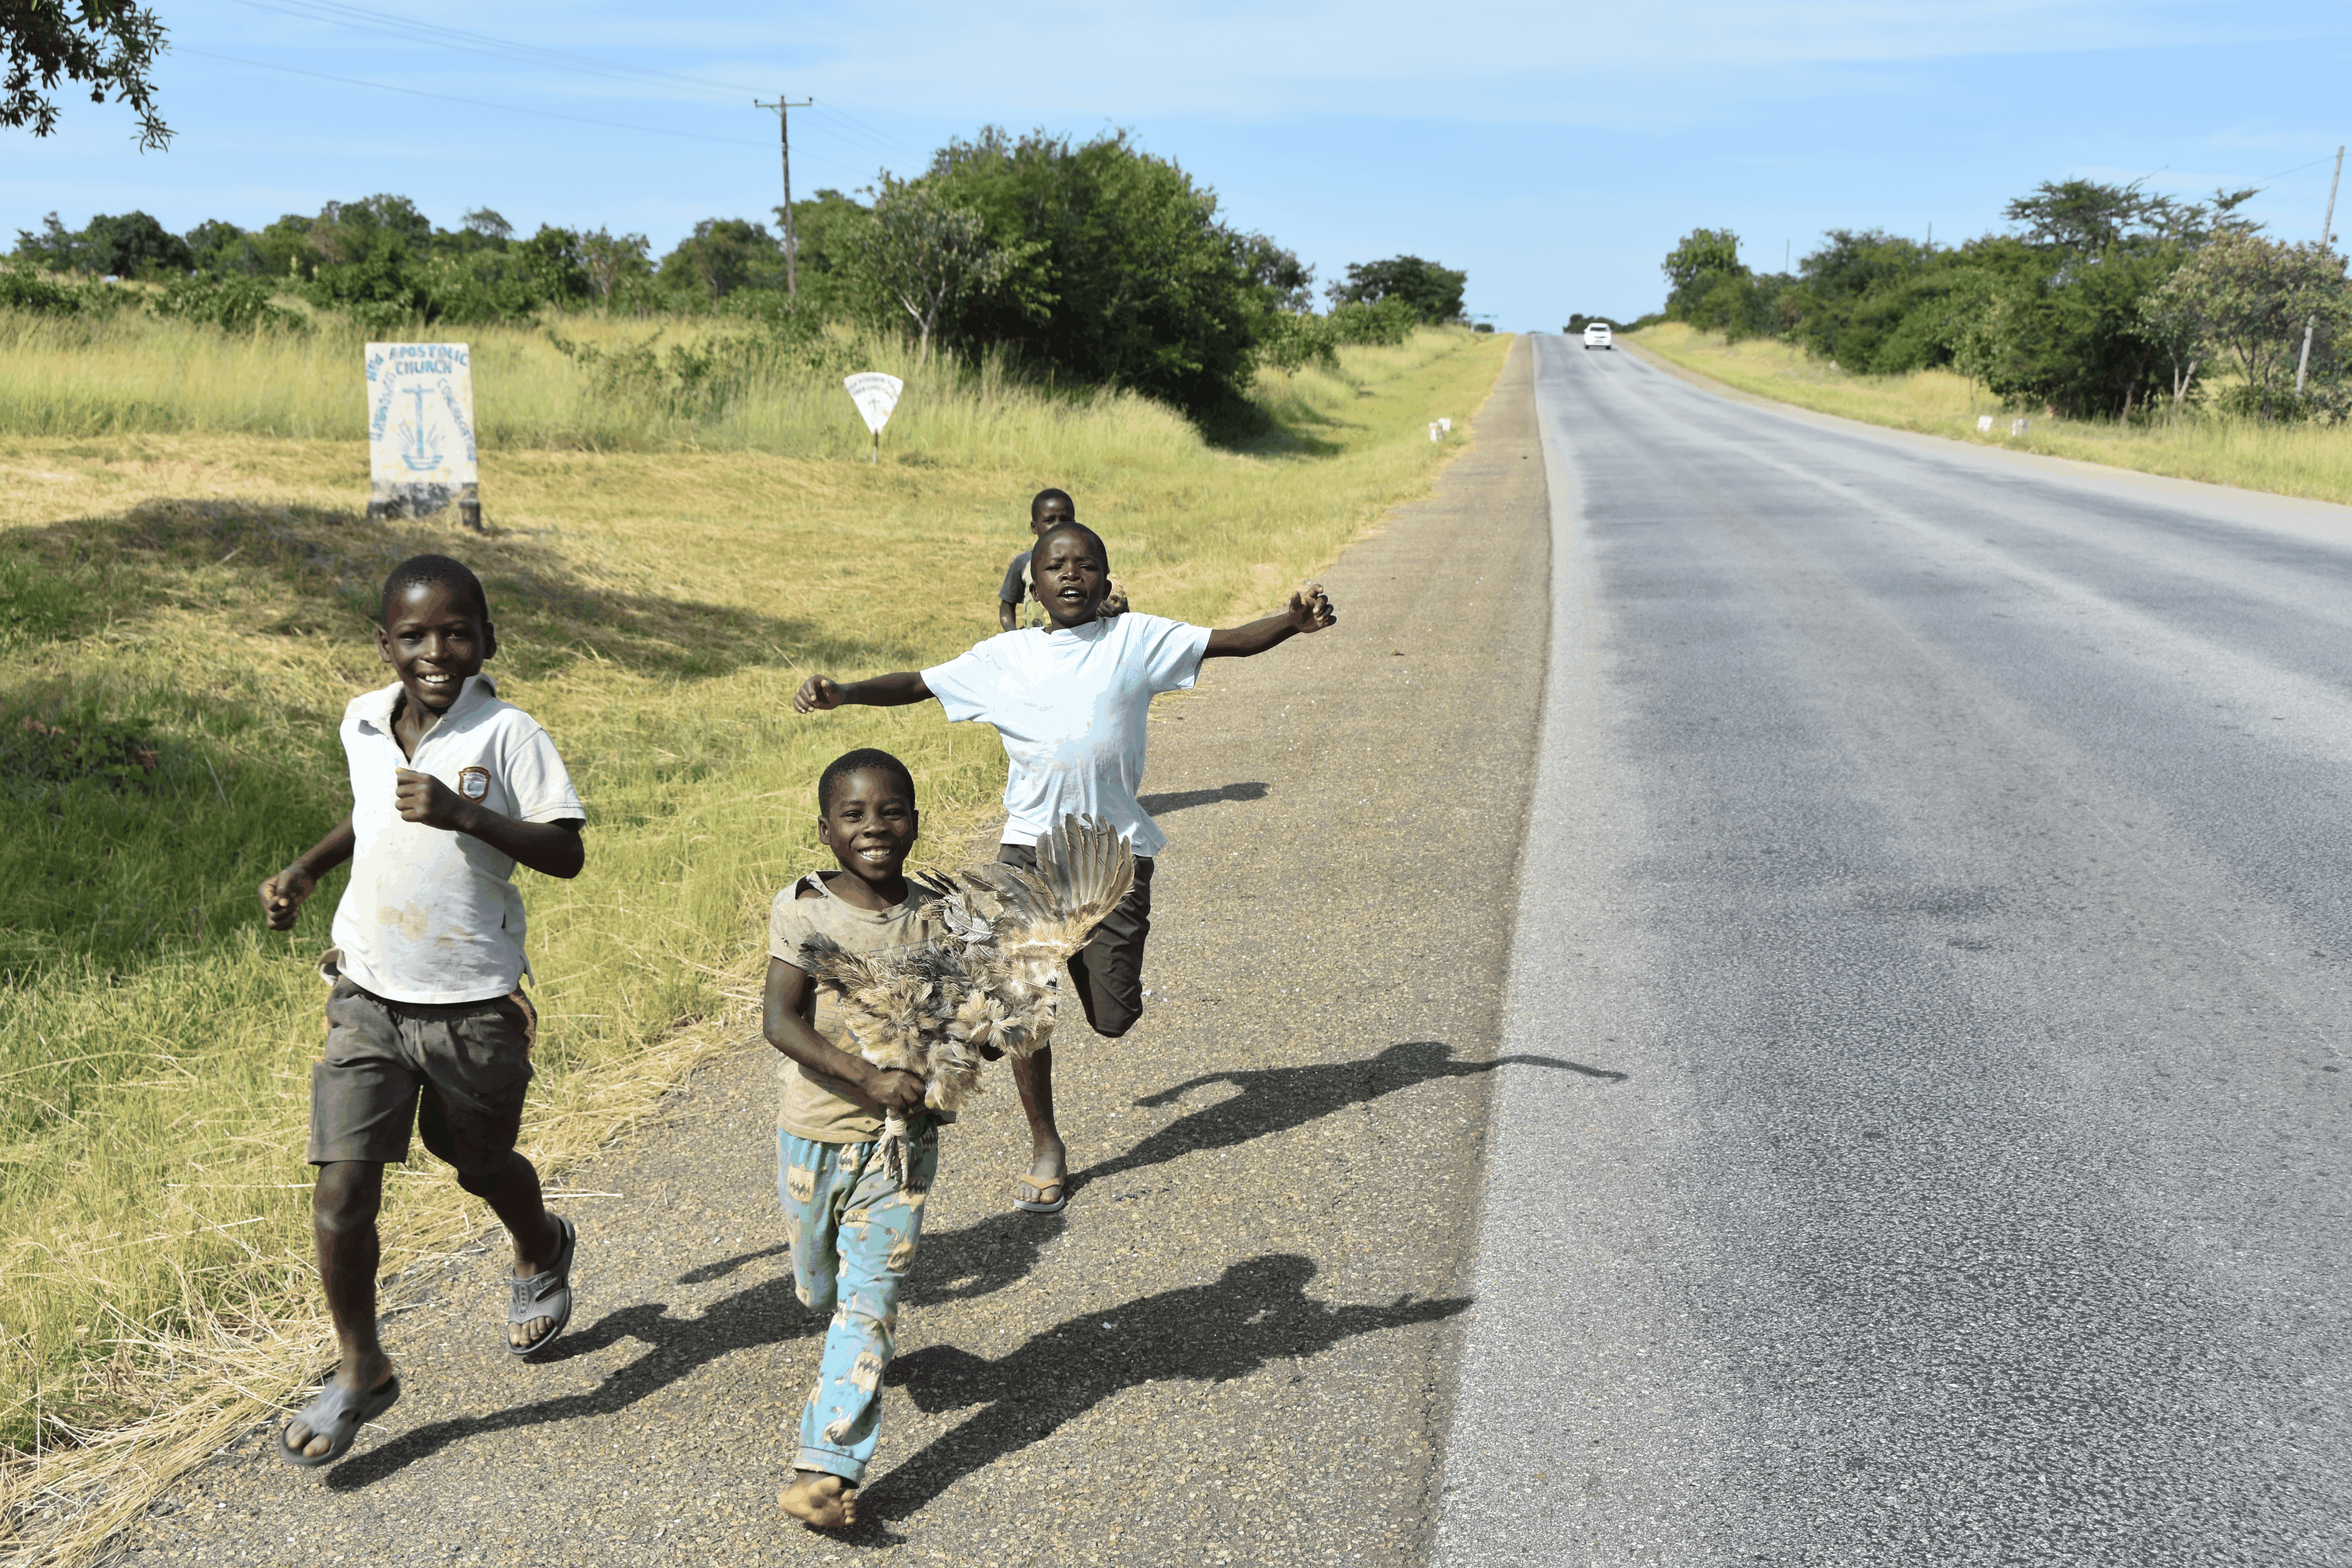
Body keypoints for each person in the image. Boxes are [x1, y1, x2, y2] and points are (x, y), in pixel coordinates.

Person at [793, 519, 1337, 1215]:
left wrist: (1290, 624)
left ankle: (1059, 973)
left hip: (1113, 859)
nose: (1071, 575)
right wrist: (847, 691)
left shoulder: (1134, 640)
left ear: (1108, 581)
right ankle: (1044, 1138)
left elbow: (1227, 641)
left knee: (1112, 1017)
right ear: (1034, 585)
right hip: (1030, 854)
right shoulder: (1006, 657)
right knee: (1024, 1007)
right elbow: (921, 683)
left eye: (1085, 565)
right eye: (1055, 566)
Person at [257, 553, 587, 1468]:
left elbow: (565, 854)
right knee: (340, 1190)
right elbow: (372, 809)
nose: (434, 651)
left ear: (488, 640)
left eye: (455, 633)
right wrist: (307, 868)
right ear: (385, 643)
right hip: (366, 984)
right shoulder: (365, 717)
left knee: (475, 1159)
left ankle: (541, 1240)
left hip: (472, 1003)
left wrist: (465, 815)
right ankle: (362, 1367)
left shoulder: (510, 732)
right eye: (413, 636)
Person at [764, 748, 947, 1529]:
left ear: (914, 817)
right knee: (820, 1282)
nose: (875, 826)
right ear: (826, 828)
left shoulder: (940, 907)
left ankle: (827, 1466)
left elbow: (961, 1006)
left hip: (904, 1137)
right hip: (814, 1131)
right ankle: (847, 1336)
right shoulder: (803, 909)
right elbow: (780, 1021)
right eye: (855, 814)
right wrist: (864, 1075)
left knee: (869, 1299)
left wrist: (969, 1048)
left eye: (892, 809)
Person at [998, 487, 1075, 633]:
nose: (1058, 526)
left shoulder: (1088, 561)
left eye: (1065, 520)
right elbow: (1007, 605)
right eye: (1049, 520)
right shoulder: (1024, 563)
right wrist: (1013, 634)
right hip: (1036, 647)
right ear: (1035, 527)